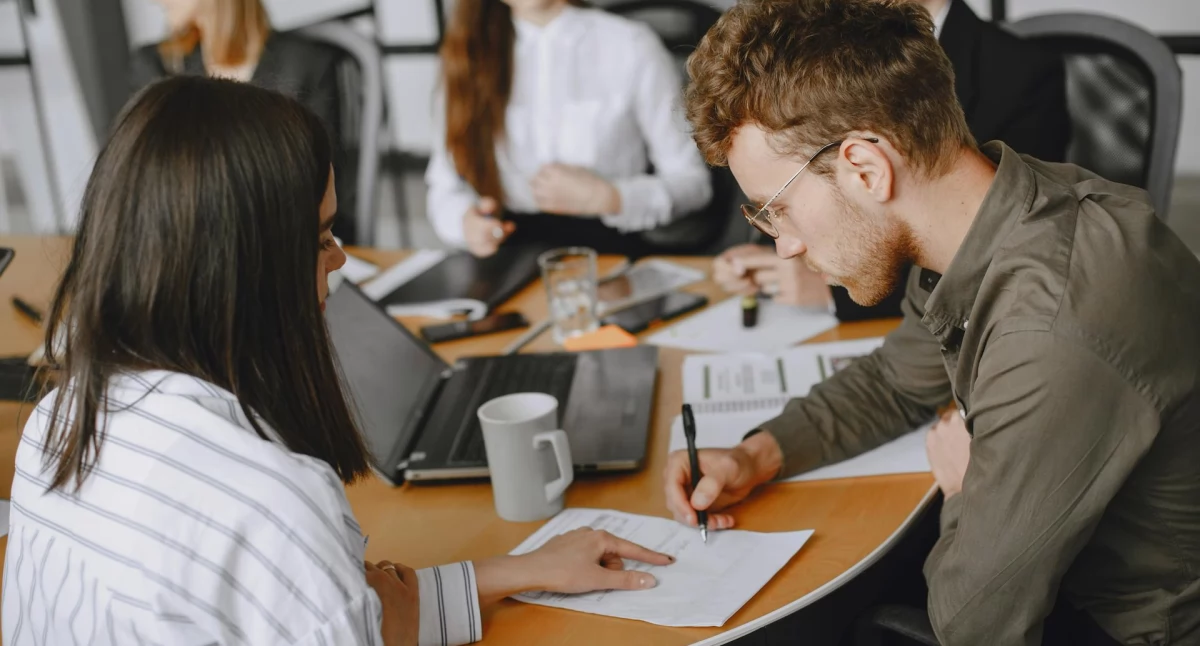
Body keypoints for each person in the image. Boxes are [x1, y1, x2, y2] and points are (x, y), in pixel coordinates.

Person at [1, 76, 671, 646]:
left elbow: (330, 613)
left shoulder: (58, 425)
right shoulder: (268, 503)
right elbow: (343, 610)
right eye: (322, 236)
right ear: (245, 266)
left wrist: (525, 569)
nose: (341, 257)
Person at [664, 1, 1200, 644]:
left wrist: (965, 485)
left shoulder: (1049, 330)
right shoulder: (990, 211)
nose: (784, 246)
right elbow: (895, 381)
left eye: (776, 209)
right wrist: (756, 455)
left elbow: (973, 625)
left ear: (866, 168)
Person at [713, 0, 1070, 322]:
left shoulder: (1021, 71)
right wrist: (767, 259)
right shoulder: (819, 45)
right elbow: (803, 172)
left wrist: (831, 295)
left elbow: (1004, 232)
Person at [426, 0, 714, 258]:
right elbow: (444, 186)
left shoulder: (630, 44)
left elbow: (693, 184)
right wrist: (465, 223)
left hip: (608, 247)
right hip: (508, 249)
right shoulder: (465, 53)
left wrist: (612, 197)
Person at [129, 0, 360, 243]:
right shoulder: (157, 67)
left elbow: (320, 180)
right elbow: (152, 183)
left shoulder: (307, 64)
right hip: (190, 243)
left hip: (289, 239)